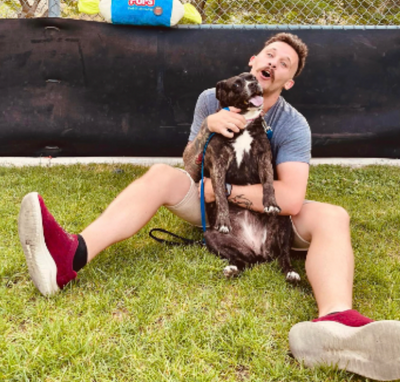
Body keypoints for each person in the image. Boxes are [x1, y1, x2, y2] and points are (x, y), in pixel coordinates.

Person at [18, 32, 400, 381]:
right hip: (210, 205)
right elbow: (188, 167)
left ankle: (338, 323)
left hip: (262, 215)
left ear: (289, 81)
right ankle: (70, 256)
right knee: (159, 175)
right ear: (253, 61)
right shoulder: (211, 98)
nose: (274, 64)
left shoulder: (292, 123)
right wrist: (208, 130)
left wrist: (227, 191)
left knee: (334, 215)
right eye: (270, 55)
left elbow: (290, 198)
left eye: (285, 64)